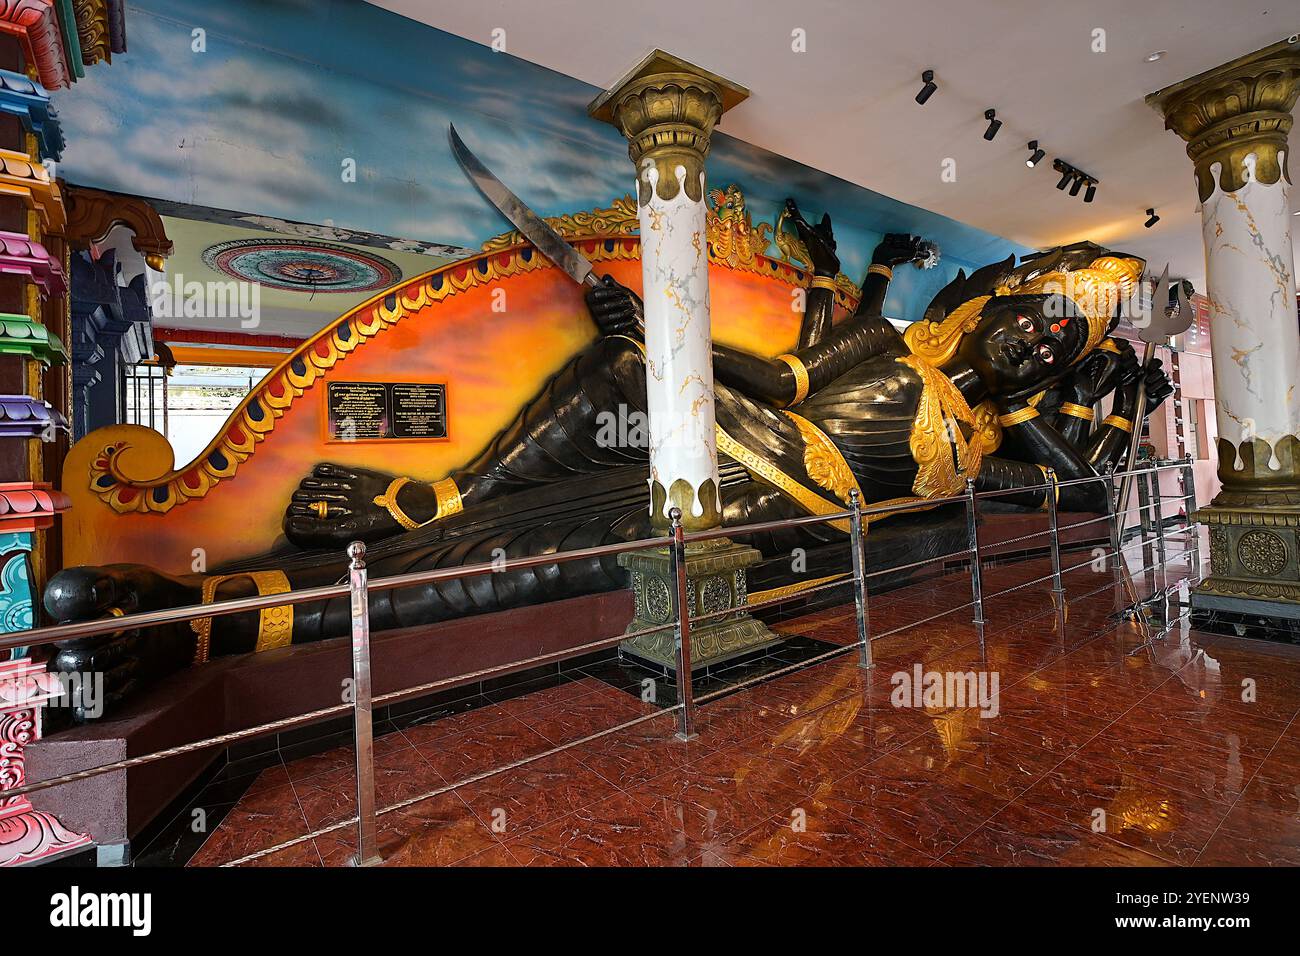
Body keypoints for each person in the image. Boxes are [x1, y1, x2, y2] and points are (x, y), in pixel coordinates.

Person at [44, 202, 1170, 718]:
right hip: (734, 433)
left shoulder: (993, 434)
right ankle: (432, 489)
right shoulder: (886, 341)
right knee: (615, 381)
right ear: (992, 302)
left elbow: (1072, 481)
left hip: (785, 516)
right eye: (1037, 312)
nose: (1038, 336)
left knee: (548, 559)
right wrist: (660, 335)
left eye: (1060, 340)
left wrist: (1088, 405)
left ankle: (203, 616)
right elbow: (775, 380)